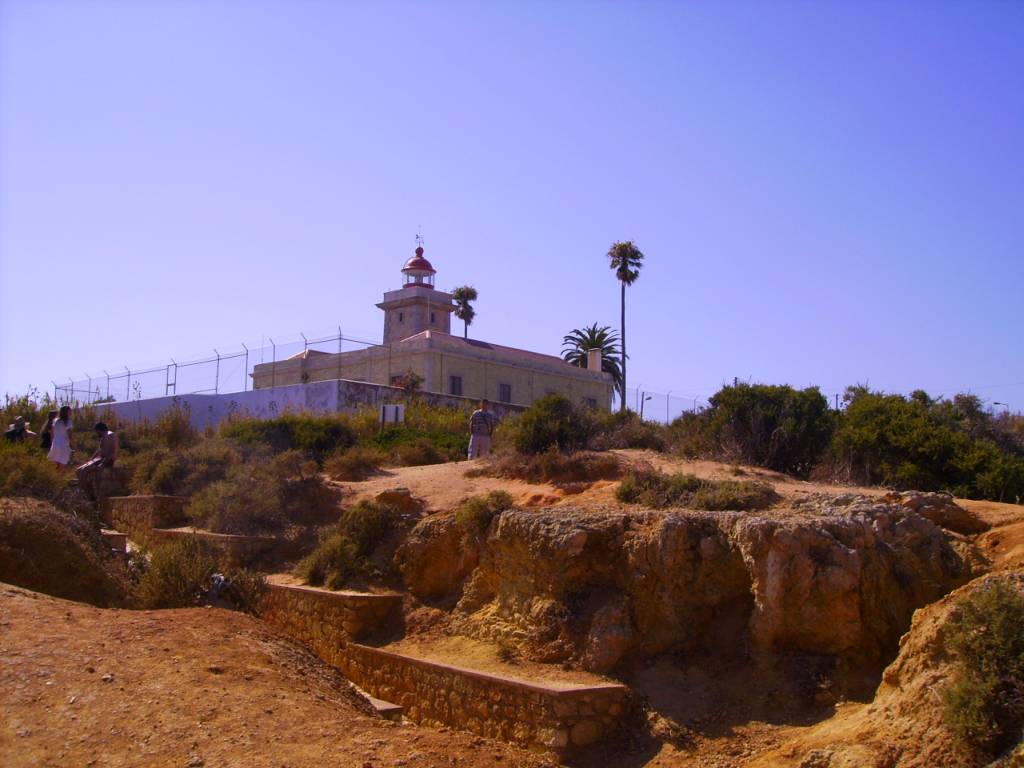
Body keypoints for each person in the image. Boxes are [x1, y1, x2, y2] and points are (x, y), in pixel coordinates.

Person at [76, 422, 119, 499]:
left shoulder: (110, 435)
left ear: (99, 430)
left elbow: (113, 451)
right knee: (78, 470)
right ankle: (87, 489)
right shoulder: (104, 436)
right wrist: (90, 460)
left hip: (105, 461)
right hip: (99, 459)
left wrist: (103, 463)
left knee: (84, 470)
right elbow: (99, 450)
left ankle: (85, 493)